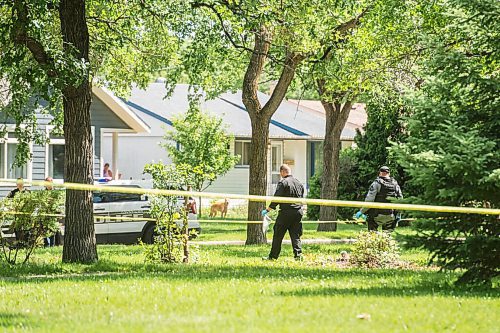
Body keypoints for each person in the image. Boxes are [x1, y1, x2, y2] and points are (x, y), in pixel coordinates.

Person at [262, 164, 305, 261]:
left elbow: (277, 197)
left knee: (278, 234)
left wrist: (268, 209)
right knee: (295, 235)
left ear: (282, 172)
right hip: (298, 212)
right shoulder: (298, 182)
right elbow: (301, 196)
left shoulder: (283, 182)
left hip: (286, 212)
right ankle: (298, 255)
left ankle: (273, 256)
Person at [357, 166, 403, 232]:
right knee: (387, 236)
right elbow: (400, 199)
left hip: (376, 216)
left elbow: (369, 200)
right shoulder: (395, 184)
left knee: (372, 235)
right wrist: (399, 213)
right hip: (391, 215)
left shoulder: (376, 183)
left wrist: (362, 211)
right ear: (389, 173)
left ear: (380, 173)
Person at [6, 178, 30, 243]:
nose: (19, 185)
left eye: (20, 183)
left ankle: (25, 243)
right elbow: (7, 201)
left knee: (26, 229)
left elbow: (31, 202)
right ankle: (18, 243)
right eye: (18, 183)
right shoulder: (13, 192)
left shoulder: (27, 192)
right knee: (17, 228)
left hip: (25, 214)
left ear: (23, 184)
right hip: (16, 214)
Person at [43, 177, 62, 247]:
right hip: (45, 213)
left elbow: (59, 202)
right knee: (45, 229)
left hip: (54, 213)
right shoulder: (43, 193)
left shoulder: (56, 192)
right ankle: (46, 244)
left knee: (53, 229)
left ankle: (52, 245)